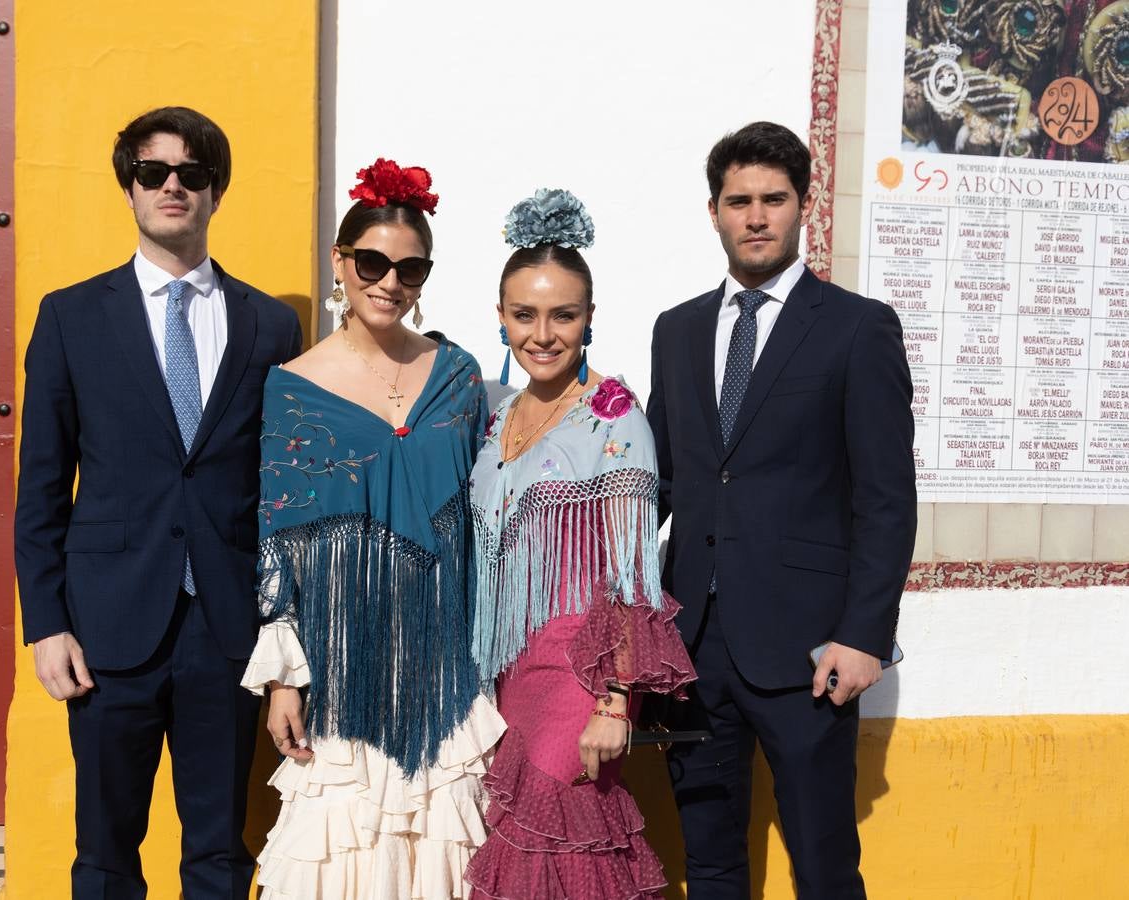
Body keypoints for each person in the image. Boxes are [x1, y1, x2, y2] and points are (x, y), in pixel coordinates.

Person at [14, 106, 302, 900]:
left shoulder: (271, 325)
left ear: (216, 191)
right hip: (106, 628)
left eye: (192, 173)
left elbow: (282, 494)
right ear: (131, 188)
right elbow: (42, 486)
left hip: (227, 627)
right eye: (153, 172)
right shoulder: (71, 316)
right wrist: (46, 622)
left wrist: (284, 636)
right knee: (105, 854)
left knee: (220, 853)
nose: (173, 185)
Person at [645, 121, 916, 898]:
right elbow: (661, 484)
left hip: (809, 654)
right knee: (710, 863)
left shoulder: (857, 327)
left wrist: (864, 638)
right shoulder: (677, 330)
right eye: (740, 202)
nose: (757, 217)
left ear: (803, 206)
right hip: (692, 648)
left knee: (823, 867)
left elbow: (887, 500)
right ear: (714, 212)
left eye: (774, 199)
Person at [242, 158, 504, 899]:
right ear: (340, 263)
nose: (390, 282)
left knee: (442, 847)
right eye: (373, 263)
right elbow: (278, 540)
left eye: (410, 269)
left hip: (444, 662)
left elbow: (486, 511)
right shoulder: (293, 386)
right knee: (344, 849)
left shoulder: (458, 375)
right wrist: (284, 682)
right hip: (342, 666)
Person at [464, 189, 696, 900]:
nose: (542, 334)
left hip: (579, 676)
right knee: (518, 852)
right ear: (500, 316)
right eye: (524, 315)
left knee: (561, 849)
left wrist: (615, 700)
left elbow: (632, 575)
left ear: (589, 317)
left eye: (562, 315)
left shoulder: (615, 415)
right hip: (506, 675)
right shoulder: (496, 416)